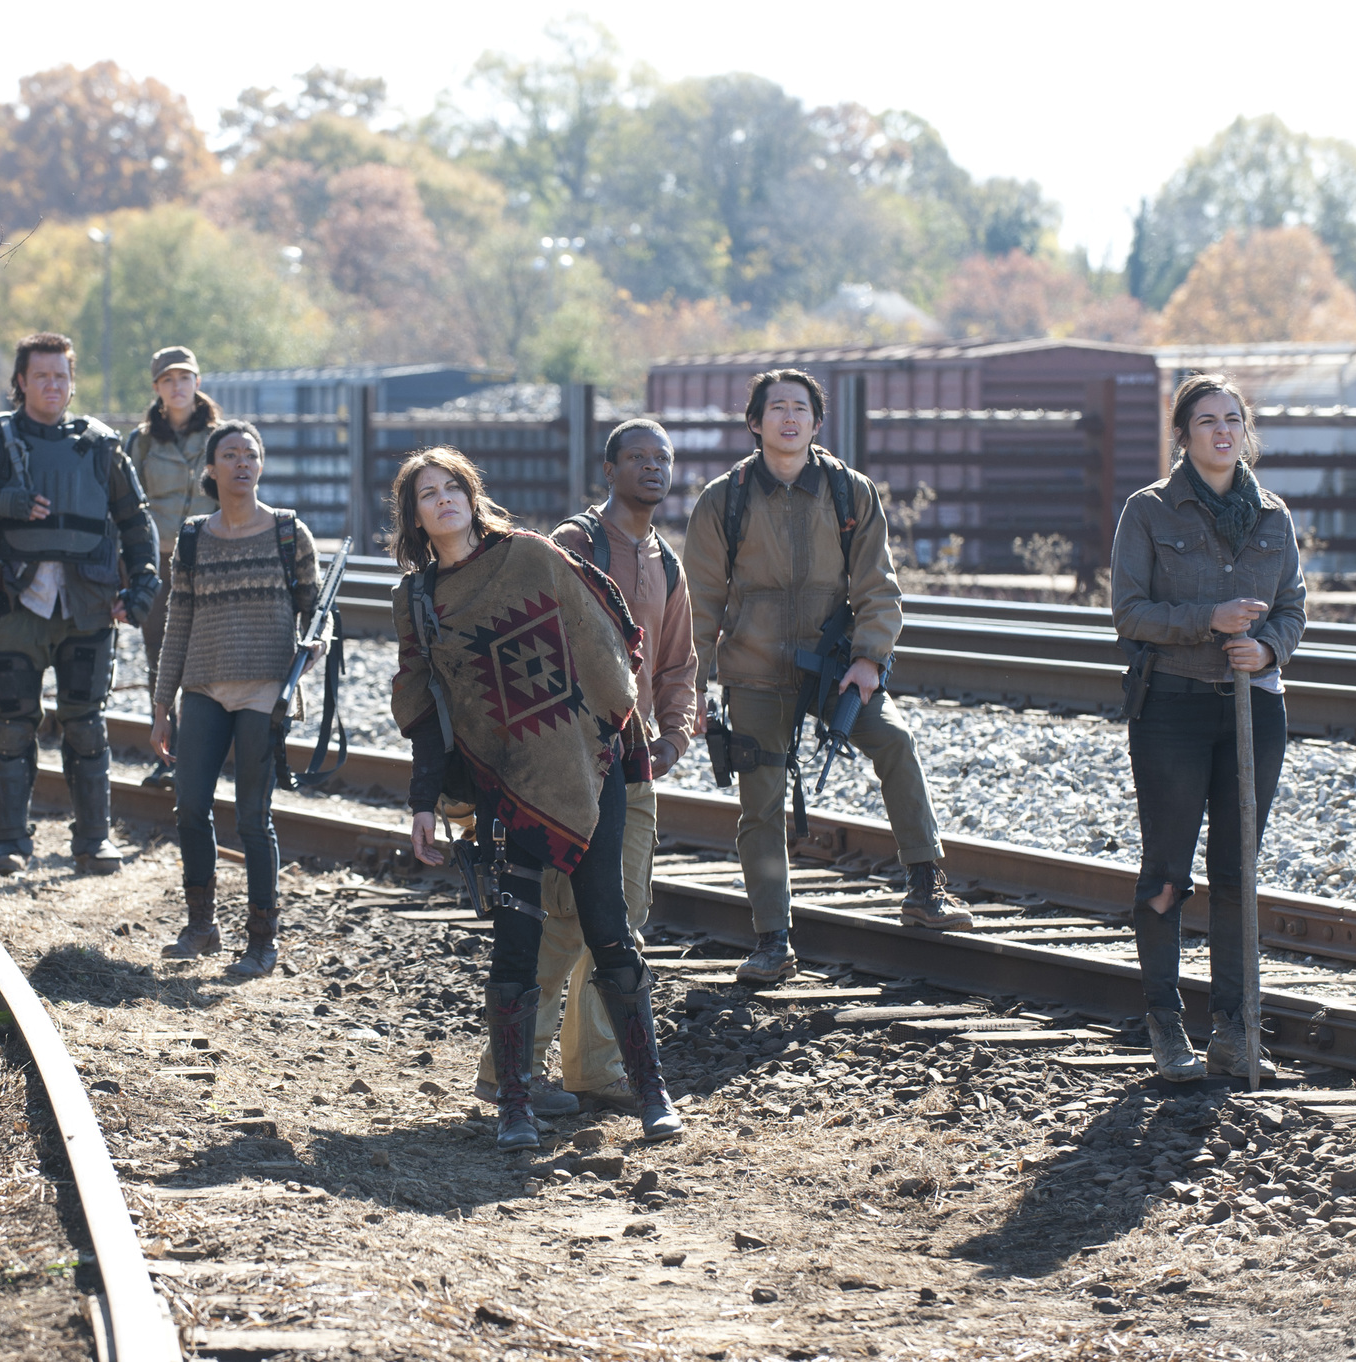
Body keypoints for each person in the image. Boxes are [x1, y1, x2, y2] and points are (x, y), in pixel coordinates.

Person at [391, 447, 683, 1151]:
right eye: (427, 494)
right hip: (503, 786)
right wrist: (424, 801)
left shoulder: (529, 556)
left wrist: (619, 736)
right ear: (416, 517)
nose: (443, 500)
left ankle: (651, 1091)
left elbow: (602, 639)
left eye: (452, 486)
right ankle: (515, 1102)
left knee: (608, 925)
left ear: (472, 493)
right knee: (515, 941)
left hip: (590, 768)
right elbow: (426, 710)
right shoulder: (419, 601)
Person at [684, 368, 976, 987]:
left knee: (895, 740)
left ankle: (926, 888)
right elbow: (701, 600)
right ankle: (772, 942)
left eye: (801, 409)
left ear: (818, 423)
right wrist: (694, 683)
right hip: (756, 672)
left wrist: (871, 657)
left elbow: (878, 584)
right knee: (759, 802)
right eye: (777, 408)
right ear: (755, 422)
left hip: (836, 666)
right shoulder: (724, 498)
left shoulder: (851, 492)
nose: (789, 419)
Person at [472, 419, 698, 1117]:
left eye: (662, 457)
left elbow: (678, 663)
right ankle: (506, 1070)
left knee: (623, 918)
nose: (652, 468)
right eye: (637, 457)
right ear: (608, 470)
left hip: (634, 767)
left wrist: (675, 734)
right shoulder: (575, 545)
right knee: (564, 920)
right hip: (570, 768)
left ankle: (597, 1071)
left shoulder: (667, 560)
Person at [1112, 373, 1304, 1082]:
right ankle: (1167, 1028)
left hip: (1254, 706)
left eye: (1233, 419)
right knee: (1167, 871)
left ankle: (1235, 1030)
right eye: (1206, 421)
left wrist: (1269, 647)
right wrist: (1208, 621)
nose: (1222, 431)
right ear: (1183, 436)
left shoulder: (1274, 516)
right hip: (1172, 707)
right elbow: (1130, 612)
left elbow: (1292, 607)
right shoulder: (1150, 511)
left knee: (1236, 874)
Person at [0, 332, 160, 877]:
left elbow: (135, 520)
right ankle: (9, 842)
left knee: (86, 723)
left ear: (72, 382)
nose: (52, 385)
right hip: (15, 602)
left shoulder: (102, 444)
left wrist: (146, 580)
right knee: (13, 725)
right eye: (41, 376)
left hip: (89, 604)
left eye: (61, 376)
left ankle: (93, 842)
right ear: (20, 382)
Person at [149, 421, 323, 978]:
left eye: (251, 454)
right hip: (203, 688)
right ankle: (201, 925)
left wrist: (315, 650)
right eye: (231, 454)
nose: (242, 463)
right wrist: (161, 706)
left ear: (261, 465)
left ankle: (261, 940)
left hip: (263, 692)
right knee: (190, 809)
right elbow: (178, 623)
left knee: (254, 818)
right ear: (212, 468)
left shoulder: (289, 534)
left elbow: (317, 614)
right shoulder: (194, 538)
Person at [125, 345, 220, 782]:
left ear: (197, 383)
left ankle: (203, 756)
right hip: (159, 560)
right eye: (168, 380)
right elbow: (127, 509)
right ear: (157, 388)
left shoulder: (222, 437)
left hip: (212, 558)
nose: (177, 387)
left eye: (184, 378)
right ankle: (168, 755)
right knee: (159, 658)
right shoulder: (141, 442)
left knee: (209, 656)